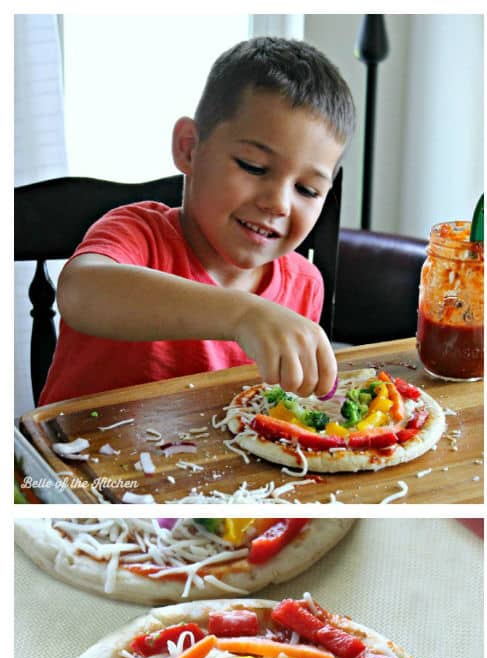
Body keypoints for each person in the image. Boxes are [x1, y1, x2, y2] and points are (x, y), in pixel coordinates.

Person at [39, 37, 355, 406]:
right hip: (76, 458)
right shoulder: (139, 235)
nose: (278, 203)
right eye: (253, 167)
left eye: (307, 189)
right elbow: (81, 293)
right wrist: (242, 314)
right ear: (189, 147)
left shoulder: (304, 285)